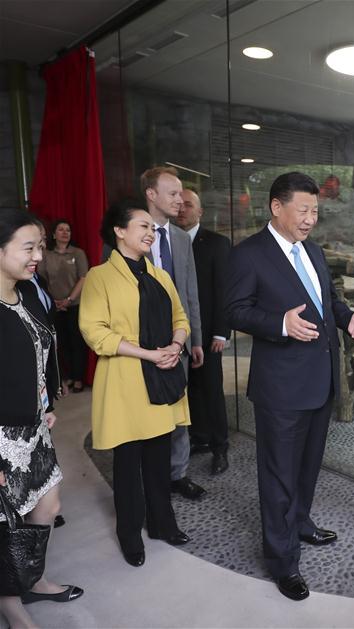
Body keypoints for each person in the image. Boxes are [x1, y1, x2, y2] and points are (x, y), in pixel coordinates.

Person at [225, 171, 354, 601]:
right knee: (278, 475)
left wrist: (347, 318)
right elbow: (234, 311)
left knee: (307, 467)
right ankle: (283, 561)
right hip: (280, 389)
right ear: (276, 207)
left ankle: (301, 523)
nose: (310, 219)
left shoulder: (314, 251)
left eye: (315, 211)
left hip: (320, 381)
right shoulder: (249, 255)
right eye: (303, 210)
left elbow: (328, 298)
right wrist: (279, 323)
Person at [79, 199, 192, 568]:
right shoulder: (100, 276)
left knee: (158, 462)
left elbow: (181, 316)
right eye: (142, 226)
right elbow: (95, 333)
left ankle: (162, 524)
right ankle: (129, 535)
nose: (149, 233)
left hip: (161, 378)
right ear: (119, 231)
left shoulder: (159, 275)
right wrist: (149, 353)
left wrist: (175, 346)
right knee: (128, 469)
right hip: (126, 383)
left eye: (150, 227)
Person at [0, 210, 83, 629]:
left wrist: (46, 402)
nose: (38, 255)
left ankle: (33, 579)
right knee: (7, 522)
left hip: (33, 427)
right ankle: (12, 604)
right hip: (1, 437)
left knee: (47, 505)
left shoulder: (27, 292)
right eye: (28, 247)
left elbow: (39, 354)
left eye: (40, 246)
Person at [141, 166, 207, 501]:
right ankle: (149, 479)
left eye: (181, 194)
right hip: (142, 346)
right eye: (172, 193)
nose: (180, 200)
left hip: (179, 342)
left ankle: (178, 474)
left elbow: (190, 291)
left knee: (180, 411)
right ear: (151, 194)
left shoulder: (180, 238)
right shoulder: (130, 234)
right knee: (147, 414)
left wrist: (194, 339)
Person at [175, 188, 232, 474]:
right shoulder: (168, 242)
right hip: (177, 334)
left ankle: (220, 447)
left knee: (211, 390)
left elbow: (225, 291)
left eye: (189, 205)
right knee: (189, 390)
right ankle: (199, 437)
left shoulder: (218, 244)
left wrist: (222, 332)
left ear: (200, 212)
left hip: (210, 334)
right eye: (179, 205)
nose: (182, 209)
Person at [39, 219, 89, 393]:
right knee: (60, 344)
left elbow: (84, 278)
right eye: (61, 229)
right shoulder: (46, 254)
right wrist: (53, 301)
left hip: (75, 305)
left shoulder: (78, 253)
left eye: (68, 230)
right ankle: (65, 378)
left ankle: (78, 379)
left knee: (77, 343)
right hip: (53, 306)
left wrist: (68, 299)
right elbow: (41, 279)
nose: (65, 232)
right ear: (53, 234)